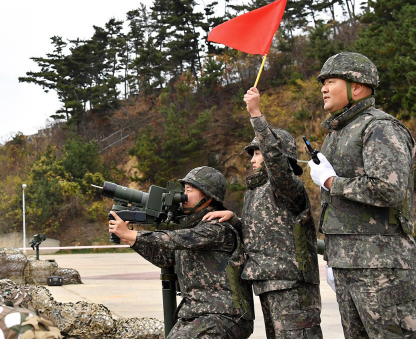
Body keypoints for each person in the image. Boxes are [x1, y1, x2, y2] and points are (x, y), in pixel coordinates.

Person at [308, 52, 416, 338]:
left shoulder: (379, 127)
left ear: (356, 87)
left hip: (381, 267)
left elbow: (388, 188)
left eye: (330, 81)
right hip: (347, 263)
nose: (323, 88)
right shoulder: (337, 133)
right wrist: (332, 255)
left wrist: (332, 181)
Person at [204, 87, 323, 339]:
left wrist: (256, 114)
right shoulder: (257, 191)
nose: (253, 159)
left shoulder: (286, 185)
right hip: (268, 283)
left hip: (291, 286)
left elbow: (277, 164)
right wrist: (235, 220)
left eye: (258, 152)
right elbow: (267, 231)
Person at [109, 166, 254, 339]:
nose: (183, 195)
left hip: (224, 314)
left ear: (208, 197)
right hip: (196, 314)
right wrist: (132, 240)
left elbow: (177, 239)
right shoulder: (193, 227)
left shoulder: (217, 228)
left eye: (189, 190)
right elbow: (165, 258)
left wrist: (132, 234)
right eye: (183, 190)